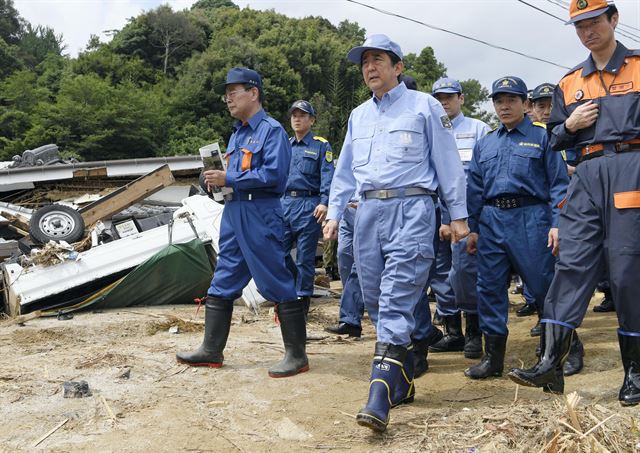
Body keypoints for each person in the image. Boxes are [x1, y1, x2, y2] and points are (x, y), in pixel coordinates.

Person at [324, 34, 468, 432]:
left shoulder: (424, 107)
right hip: (367, 211)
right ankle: (404, 373)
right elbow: (345, 170)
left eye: (378, 60)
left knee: (395, 297)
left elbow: (448, 163)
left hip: (412, 207)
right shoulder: (358, 115)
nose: (370, 67)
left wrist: (459, 215)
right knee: (374, 299)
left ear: (398, 66)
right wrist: (336, 212)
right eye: (365, 62)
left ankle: (379, 396)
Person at [509, 1, 640, 406]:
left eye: (594, 22)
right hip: (584, 173)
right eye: (579, 25)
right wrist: (569, 124)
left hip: (630, 167)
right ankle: (551, 360)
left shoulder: (637, 66)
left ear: (613, 20)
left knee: (626, 269)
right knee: (571, 263)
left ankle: (635, 370)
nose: (587, 31)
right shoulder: (569, 82)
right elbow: (554, 139)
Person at [176, 67, 309, 378]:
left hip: (261, 213)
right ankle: (211, 350)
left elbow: (275, 177)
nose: (228, 98)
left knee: (276, 279)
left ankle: (297, 355)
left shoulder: (272, 130)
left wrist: (231, 177)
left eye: (234, 92)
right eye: (226, 94)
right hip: (234, 213)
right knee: (223, 280)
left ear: (254, 92)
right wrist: (216, 182)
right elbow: (234, 178)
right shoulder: (238, 133)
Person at [465, 76, 569, 380]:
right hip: (492, 221)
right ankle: (493, 358)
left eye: (511, 100)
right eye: (499, 101)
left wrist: (557, 224)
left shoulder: (543, 138)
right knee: (489, 289)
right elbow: (475, 188)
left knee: (543, 288)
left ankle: (561, 352)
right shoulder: (485, 143)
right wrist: (473, 228)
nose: (504, 106)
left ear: (525, 104)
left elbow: (559, 186)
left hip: (531, 219)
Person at [428, 77, 490, 360]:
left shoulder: (478, 129)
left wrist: (469, 218)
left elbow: (483, 176)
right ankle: (453, 332)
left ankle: (475, 330)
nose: (444, 102)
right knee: (439, 273)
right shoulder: (427, 129)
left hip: (466, 214)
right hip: (433, 212)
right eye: (438, 98)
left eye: (449, 97)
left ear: (461, 99)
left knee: (465, 272)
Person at [283, 100, 335, 314]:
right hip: (284, 203)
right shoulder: (285, 145)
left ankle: (301, 301)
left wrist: (324, 202)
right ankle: (290, 290)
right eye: (294, 115)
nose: (297, 118)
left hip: (309, 205)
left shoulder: (320, 145)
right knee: (277, 252)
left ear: (312, 120)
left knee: (305, 257)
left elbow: (328, 175)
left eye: (303, 115)